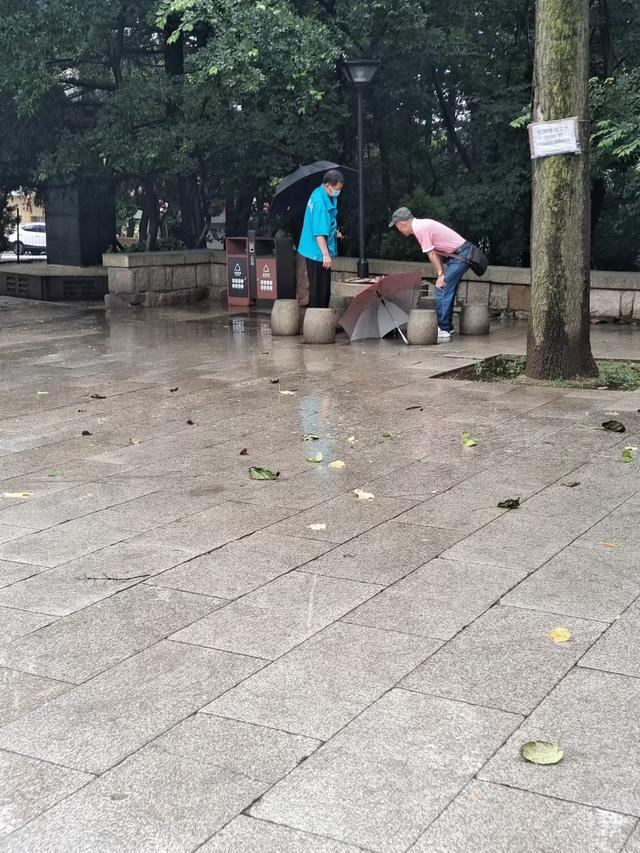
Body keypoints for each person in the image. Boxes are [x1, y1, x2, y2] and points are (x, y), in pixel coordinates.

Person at [388, 206, 472, 341]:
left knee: (442, 287)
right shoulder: (422, 225)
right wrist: (442, 273)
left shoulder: (420, 229)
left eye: (397, 227)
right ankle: (447, 327)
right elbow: (434, 251)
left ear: (401, 224)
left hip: (462, 256)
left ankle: (444, 329)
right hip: (459, 255)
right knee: (446, 287)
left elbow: (431, 254)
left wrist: (440, 275)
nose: (398, 230)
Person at [298, 170, 344, 308]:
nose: (338, 192)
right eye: (337, 189)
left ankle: (317, 319)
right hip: (317, 252)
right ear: (328, 186)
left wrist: (333, 233)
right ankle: (318, 322)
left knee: (318, 288)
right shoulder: (320, 204)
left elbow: (325, 224)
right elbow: (319, 233)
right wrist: (325, 255)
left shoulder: (319, 193)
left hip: (312, 249)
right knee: (321, 291)